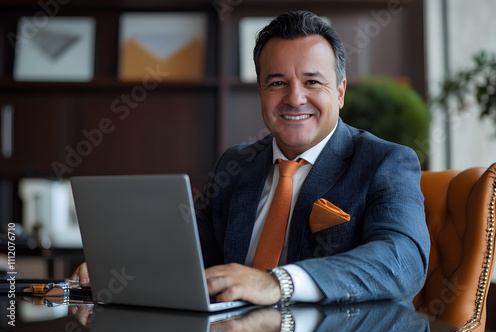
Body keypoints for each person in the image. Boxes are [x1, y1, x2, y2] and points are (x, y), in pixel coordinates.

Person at [72, 10, 430, 307]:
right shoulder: (236, 164)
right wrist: (122, 268)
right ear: (260, 91)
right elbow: (189, 251)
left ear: (339, 92)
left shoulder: (386, 161)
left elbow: (403, 260)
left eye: (312, 82)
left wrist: (279, 283)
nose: (294, 98)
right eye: (277, 83)